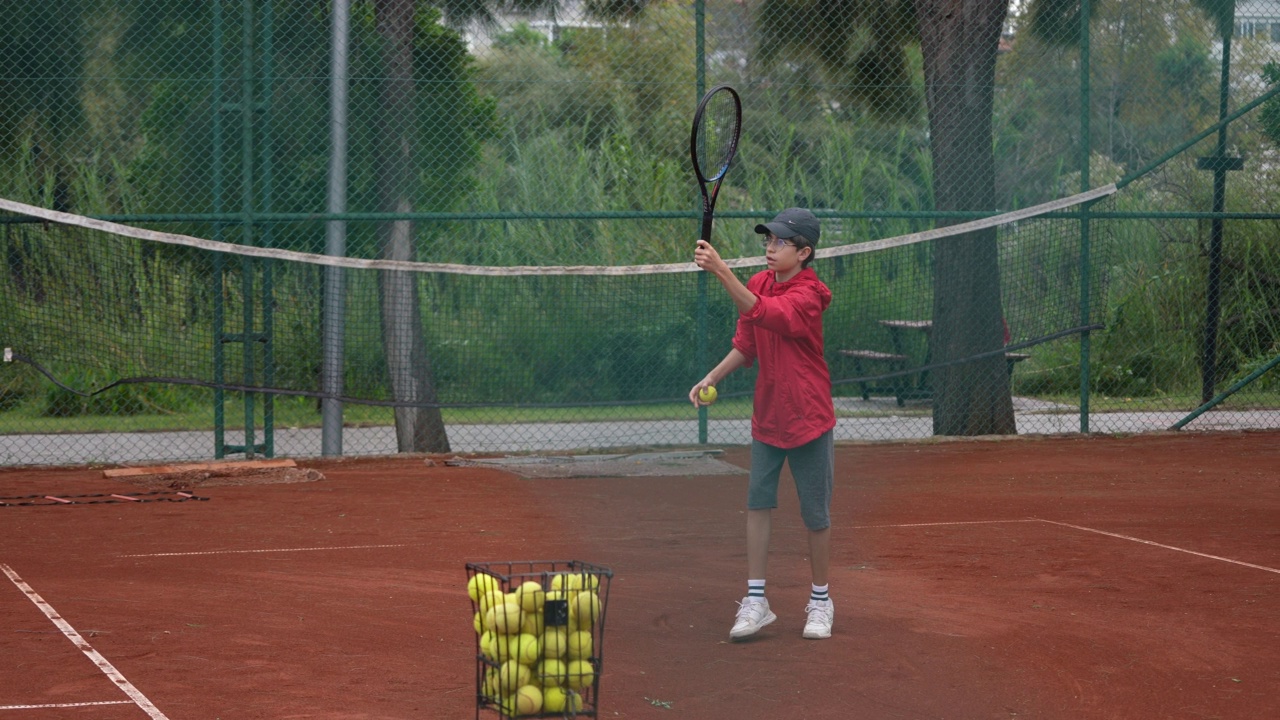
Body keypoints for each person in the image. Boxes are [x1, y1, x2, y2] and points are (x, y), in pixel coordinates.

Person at [689, 207, 837, 641]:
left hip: (809, 417)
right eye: (768, 240)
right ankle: (756, 601)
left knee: (815, 514)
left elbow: (768, 315)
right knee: (758, 504)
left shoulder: (809, 296)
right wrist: (712, 376)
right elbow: (747, 341)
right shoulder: (757, 283)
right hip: (768, 416)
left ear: (804, 252)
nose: (770, 248)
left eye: (780, 242)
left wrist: (720, 270)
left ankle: (821, 601)